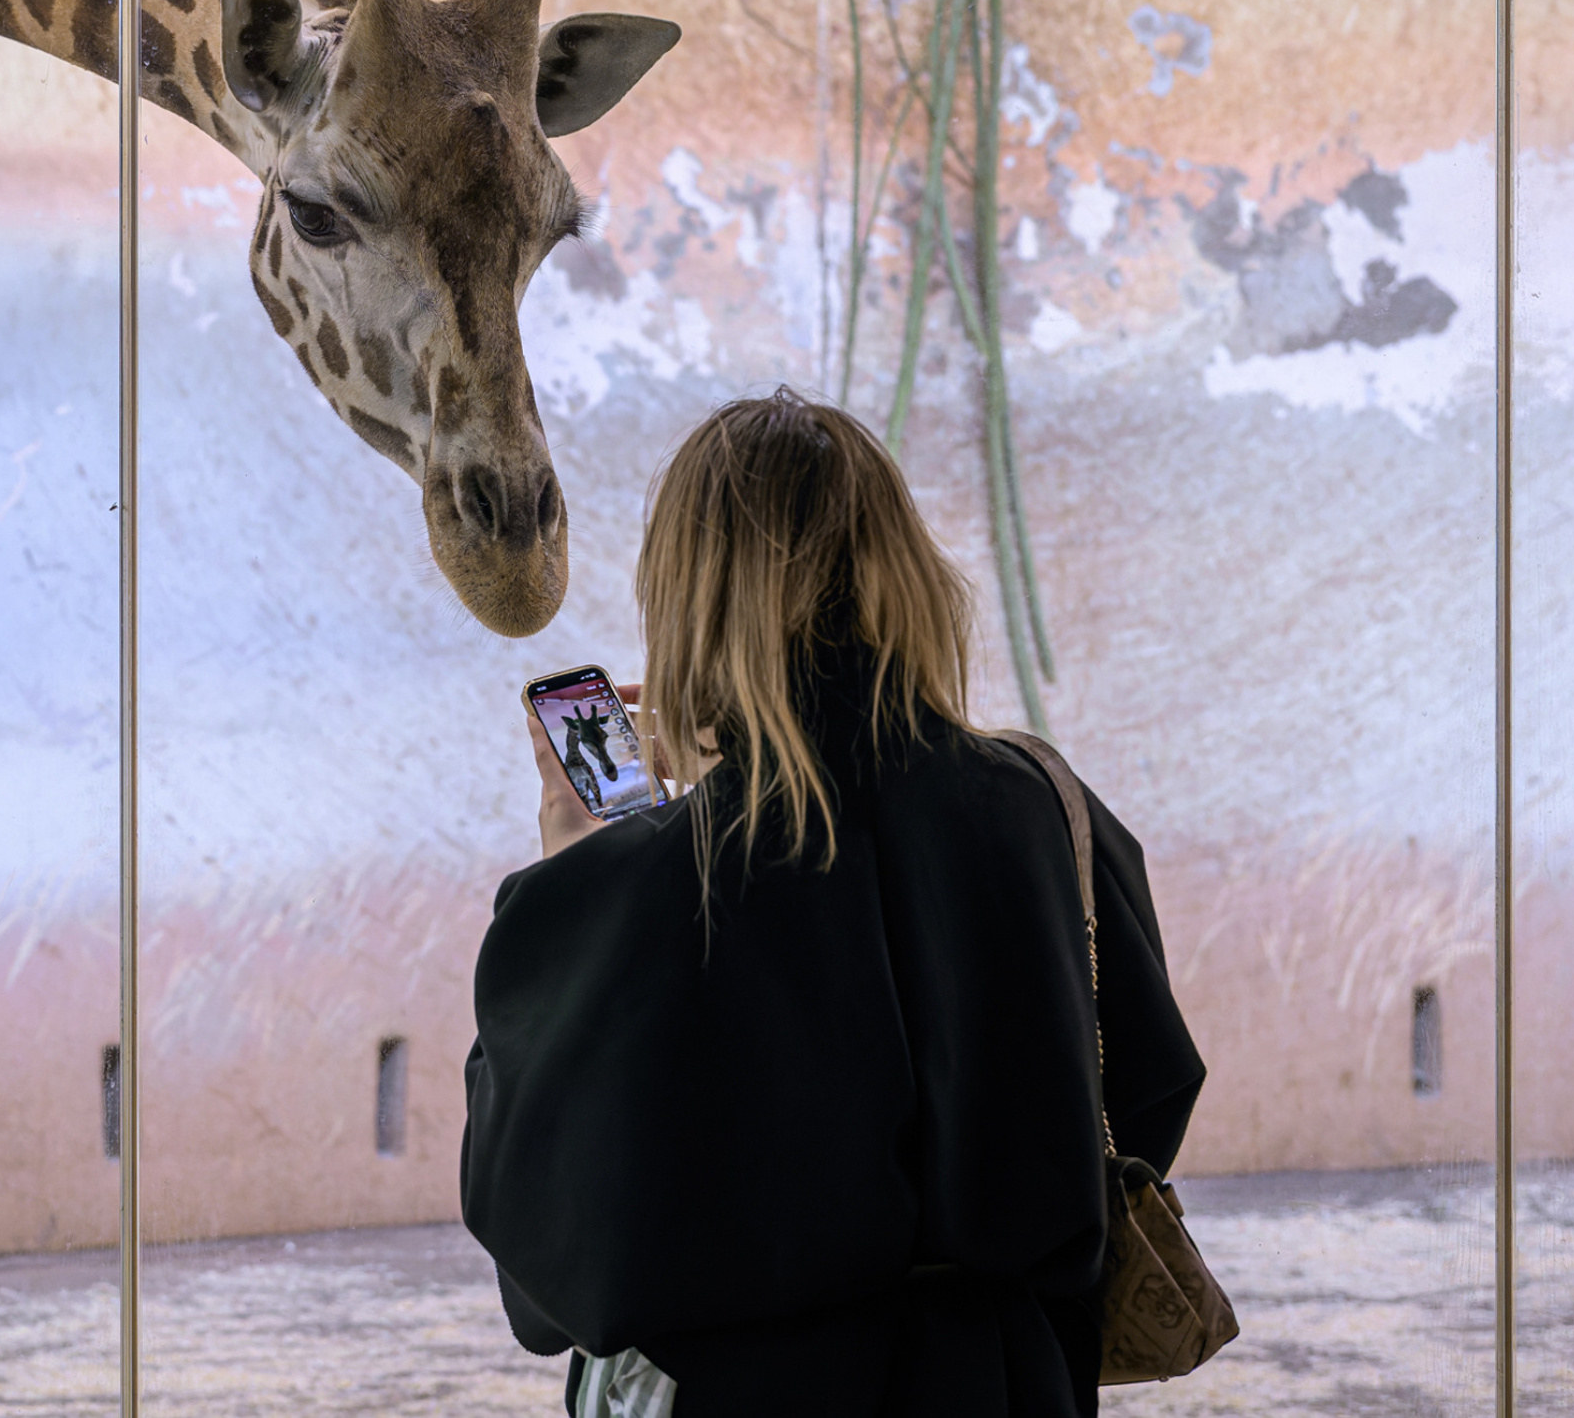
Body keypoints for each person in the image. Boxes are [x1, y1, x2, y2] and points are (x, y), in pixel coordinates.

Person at [461, 390, 1205, 1418]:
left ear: (688, 596)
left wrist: (570, 879)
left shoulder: (645, 879)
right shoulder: (1045, 810)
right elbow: (1145, 1099)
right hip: (1011, 1383)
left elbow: (550, 1264)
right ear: (899, 564)